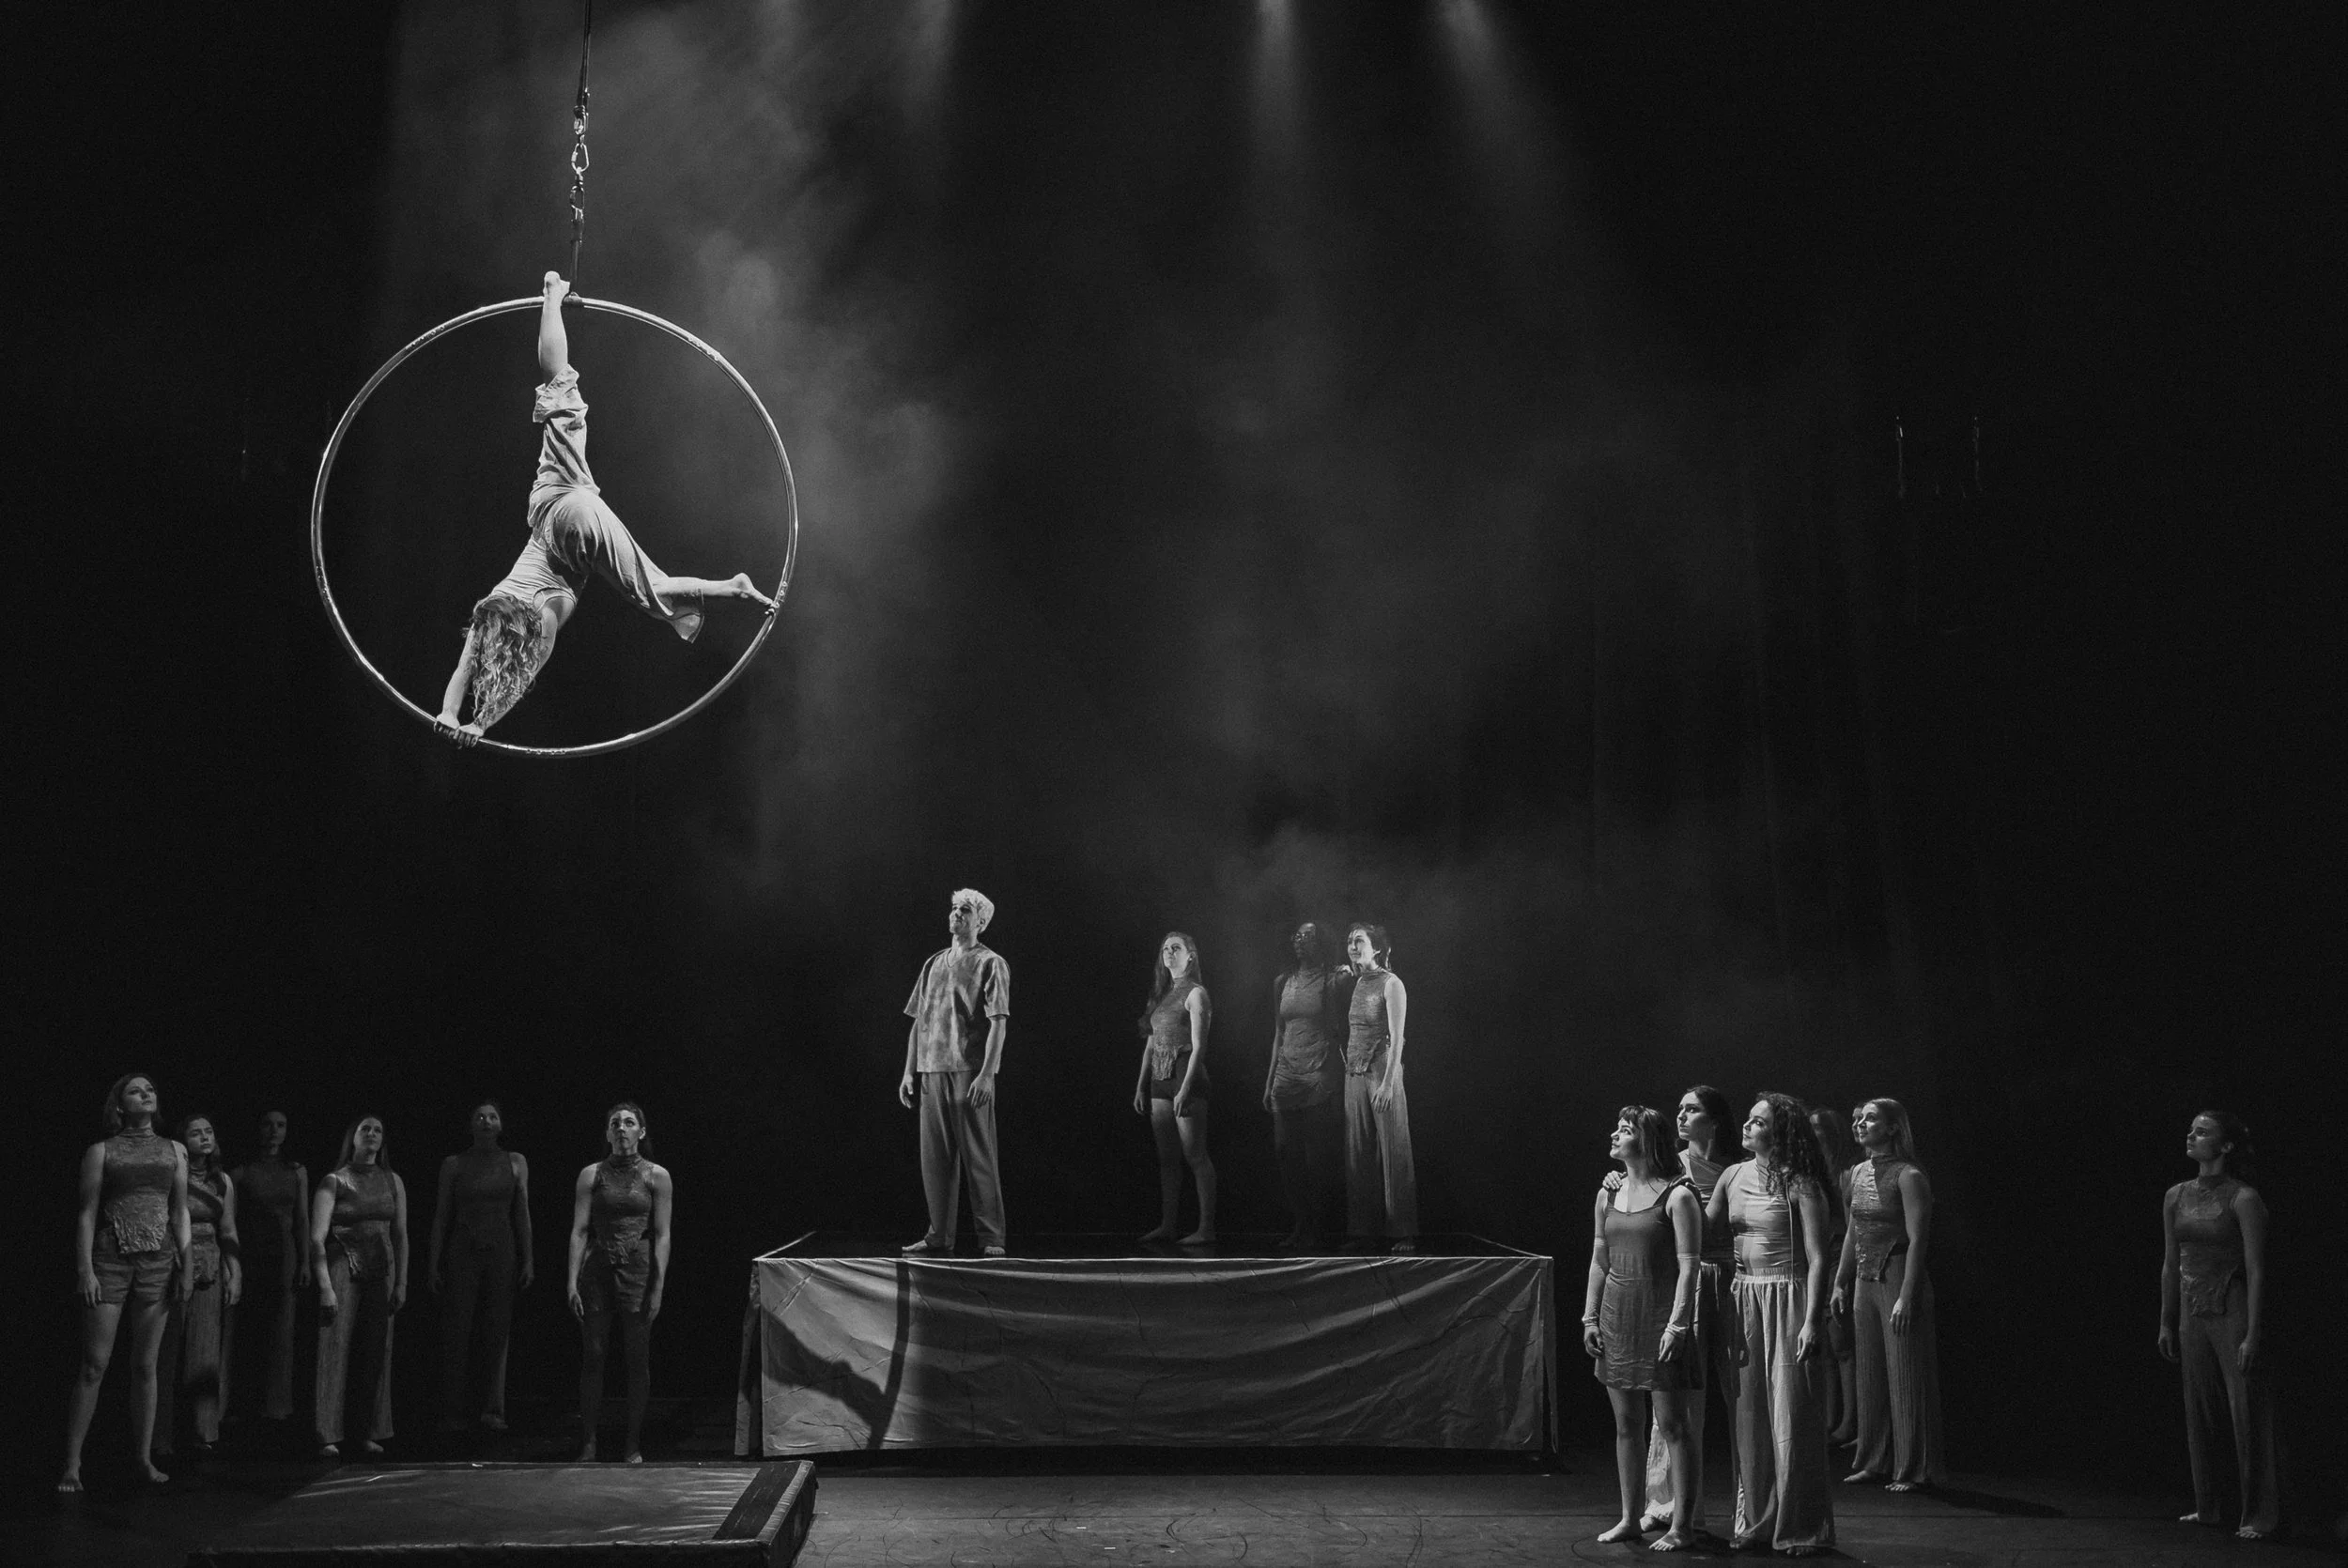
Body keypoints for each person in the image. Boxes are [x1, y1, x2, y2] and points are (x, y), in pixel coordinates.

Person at [433, 270, 776, 739]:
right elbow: (462, 672)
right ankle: (551, 294)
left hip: (581, 527)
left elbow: (515, 678)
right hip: (553, 502)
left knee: (652, 591)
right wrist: (452, 715)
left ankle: (731, 587)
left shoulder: (543, 620)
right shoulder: (490, 609)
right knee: (561, 396)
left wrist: (477, 722)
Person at [1710, 1093, 1835, 1556]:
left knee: (1791, 1414)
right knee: (1748, 1415)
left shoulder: (1801, 1183)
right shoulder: (1732, 1175)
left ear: (1778, 1133)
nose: (1746, 1126)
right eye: (1747, 1119)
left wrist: (1812, 1321)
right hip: (1744, 1298)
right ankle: (1755, 1520)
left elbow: (1819, 1257)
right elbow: (1698, 1229)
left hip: (1788, 1295)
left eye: (1757, 1122)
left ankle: (1801, 1525)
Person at [1583, 1105, 1705, 1551]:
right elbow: (1600, 1260)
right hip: (1617, 1317)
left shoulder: (1678, 1196)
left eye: (1626, 1129)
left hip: (1658, 1318)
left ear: (1647, 1141)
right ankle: (1629, 1517)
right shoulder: (1607, 1194)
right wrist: (1589, 1316)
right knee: (1626, 1425)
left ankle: (1682, 1525)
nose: (1615, 1134)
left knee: (1673, 1425)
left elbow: (1690, 1267)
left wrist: (1678, 1324)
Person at [60, 1074, 191, 1492]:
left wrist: (186, 1265)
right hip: (110, 1258)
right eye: (136, 1090)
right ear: (120, 1104)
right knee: (94, 1364)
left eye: (151, 1088)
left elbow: (180, 1212)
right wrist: (85, 1269)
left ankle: (142, 1458)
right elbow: (86, 1211)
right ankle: (72, 1463)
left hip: (158, 1260)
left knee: (145, 1365)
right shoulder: (101, 1151)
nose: (146, 1093)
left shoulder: (175, 1150)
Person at [2159, 1110, 2278, 1540]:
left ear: (2225, 1146)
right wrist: (2166, 1320)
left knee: (2245, 1409)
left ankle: (2259, 1515)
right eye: (2191, 1129)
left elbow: (2258, 1268)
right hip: (2192, 1306)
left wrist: (2254, 1331)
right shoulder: (2175, 1195)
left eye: (2203, 1131)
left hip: (2231, 1303)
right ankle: (2208, 1505)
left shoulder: (2243, 1198)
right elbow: (2170, 1264)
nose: (2191, 1135)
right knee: (2200, 1409)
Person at [1633, 1085, 1741, 1536]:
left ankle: (1751, 1512)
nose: (1681, 1116)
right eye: (1678, 1109)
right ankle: (1668, 1505)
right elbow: (1640, 1189)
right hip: (1685, 1281)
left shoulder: (1737, 1168)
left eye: (1691, 1109)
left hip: (1732, 1281)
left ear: (1713, 1121)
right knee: (1676, 1396)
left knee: (1741, 1396)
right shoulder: (1670, 1164)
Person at [1831, 1098, 1943, 1491]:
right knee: (1870, 1373)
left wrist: (1907, 1294)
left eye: (1870, 1118)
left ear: (1893, 1127)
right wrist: (1840, 1281)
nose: (1860, 1123)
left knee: (1905, 1374)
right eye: (1857, 1118)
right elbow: (1852, 1231)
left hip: (1897, 1272)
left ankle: (1913, 1467)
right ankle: (1873, 1459)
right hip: (1865, 1276)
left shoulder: (1908, 1175)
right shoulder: (1857, 1172)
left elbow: (1918, 1239)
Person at [897, 888, 1012, 1256]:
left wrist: (987, 1073)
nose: (956, 914)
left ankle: (991, 1236)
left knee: (978, 1155)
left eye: (965, 910)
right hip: (932, 1068)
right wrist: (909, 1072)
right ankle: (938, 1234)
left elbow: (998, 1023)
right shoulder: (933, 963)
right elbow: (918, 1021)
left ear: (981, 921)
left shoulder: (991, 962)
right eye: (953, 908)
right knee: (935, 1159)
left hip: (968, 1068)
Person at [568, 1102, 672, 1463]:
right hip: (597, 1269)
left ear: (641, 1132)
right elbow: (580, 1230)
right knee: (594, 1355)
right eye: (615, 1124)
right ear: (608, 1133)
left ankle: (632, 1442)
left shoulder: (657, 1176)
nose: (622, 1128)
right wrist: (571, 1282)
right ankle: (589, 1442)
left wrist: (658, 1286)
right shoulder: (590, 1174)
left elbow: (662, 1234)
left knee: (636, 1357)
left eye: (629, 1123)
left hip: (638, 1269)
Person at [429, 1101, 533, 1434]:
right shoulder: (454, 1164)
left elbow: (522, 1213)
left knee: (497, 1329)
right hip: (463, 1248)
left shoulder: (515, 1162)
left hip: (502, 1249)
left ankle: (493, 1409)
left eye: (493, 1117)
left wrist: (529, 1258)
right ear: (470, 1125)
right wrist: (433, 1263)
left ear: (501, 1125)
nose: (486, 1121)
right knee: (457, 1329)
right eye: (479, 1117)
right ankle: (451, 1410)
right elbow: (441, 1215)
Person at [312, 1115, 408, 1457]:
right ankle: (328, 1433)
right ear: (352, 1138)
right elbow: (316, 1238)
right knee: (335, 1350)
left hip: (381, 1269)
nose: (371, 1134)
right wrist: (325, 1285)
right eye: (365, 1129)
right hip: (342, 1267)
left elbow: (400, 1234)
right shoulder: (334, 1181)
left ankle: (366, 1430)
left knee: (374, 1352)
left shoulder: (391, 1180)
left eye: (378, 1130)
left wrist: (401, 1282)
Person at [156, 1112, 241, 1457]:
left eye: (209, 1131)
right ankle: (160, 1436)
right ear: (182, 1140)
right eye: (196, 1132)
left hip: (212, 1263)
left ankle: (203, 1432)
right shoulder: (172, 1175)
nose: (205, 1137)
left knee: (205, 1352)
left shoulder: (223, 1181)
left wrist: (236, 1272)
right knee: (167, 1351)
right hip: (175, 1262)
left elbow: (229, 1230)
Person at [1261, 922, 1348, 1250]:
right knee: (1285, 1151)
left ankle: (1319, 1227)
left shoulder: (1335, 979)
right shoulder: (1282, 981)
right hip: (1287, 1073)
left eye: (1308, 937)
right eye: (1297, 935)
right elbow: (1279, 1032)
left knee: (1317, 1156)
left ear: (1321, 942)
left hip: (1319, 1072)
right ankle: (1301, 1222)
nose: (1300, 941)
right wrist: (1270, 1080)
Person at [1134, 931, 1217, 1244]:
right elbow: (1151, 1045)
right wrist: (1142, 1085)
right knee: (1167, 1158)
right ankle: (1168, 1225)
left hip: (1185, 1075)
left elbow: (1199, 1046)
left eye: (1176, 948)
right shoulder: (1162, 994)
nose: (1169, 953)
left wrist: (1185, 1088)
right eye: (1165, 948)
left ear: (1190, 955)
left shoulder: (1196, 994)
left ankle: (1206, 1229)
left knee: (1195, 1154)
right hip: (1159, 1077)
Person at [230, 1111, 312, 1427]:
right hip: (252, 1253)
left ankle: (277, 1406)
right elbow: (232, 1220)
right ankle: (244, 1404)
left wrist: (304, 1260)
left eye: (281, 1125)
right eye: (267, 1124)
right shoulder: (241, 1173)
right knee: (249, 1328)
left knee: (283, 1329)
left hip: (285, 1254)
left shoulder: (297, 1171)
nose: (274, 1131)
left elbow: (303, 1219)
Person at [1340, 922, 1416, 1252]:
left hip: (1382, 1069)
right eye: (1350, 942)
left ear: (1377, 948)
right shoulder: (1357, 983)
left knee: (1393, 1148)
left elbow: (1398, 1037)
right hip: (1355, 1071)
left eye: (1359, 941)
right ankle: (1362, 1229)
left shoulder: (1391, 984)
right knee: (1357, 1151)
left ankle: (1402, 1231)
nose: (1353, 946)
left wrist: (1389, 1083)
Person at [1811, 1103, 1861, 1449]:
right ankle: (1830, 1419)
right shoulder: (1810, 1171)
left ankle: (1850, 1421)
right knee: (1824, 1348)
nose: (1812, 1135)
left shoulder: (1846, 1173)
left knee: (1842, 1342)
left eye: (1818, 1129)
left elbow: (1853, 1225)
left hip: (1838, 1259)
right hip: (1816, 1260)